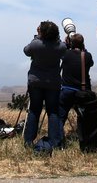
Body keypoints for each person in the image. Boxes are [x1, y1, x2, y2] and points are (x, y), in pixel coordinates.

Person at [24, 20, 68, 149]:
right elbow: (63, 50)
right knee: (53, 112)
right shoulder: (60, 47)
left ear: (42, 33)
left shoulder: (36, 44)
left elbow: (26, 51)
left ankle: (28, 141)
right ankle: (54, 141)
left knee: (34, 110)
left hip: (36, 81)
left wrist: (38, 36)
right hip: (53, 83)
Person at [59, 33, 96, 131]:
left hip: (67, 90)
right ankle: (86, 134)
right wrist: (84, 49)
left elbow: (61, 51)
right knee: (85, 116)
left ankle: (56, 137)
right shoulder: (87, 56)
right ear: (83, 44)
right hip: (82, 92)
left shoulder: (65, 54)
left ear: (71, 44)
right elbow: (91, 63)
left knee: (60, 115)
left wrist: (66, 44)